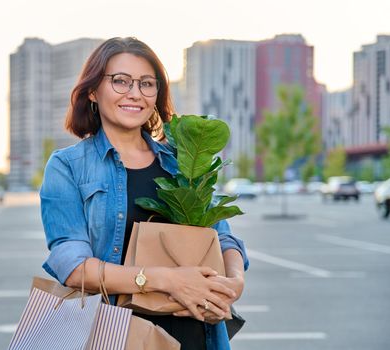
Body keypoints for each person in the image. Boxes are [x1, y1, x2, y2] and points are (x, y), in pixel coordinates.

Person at [40, 37, 249, 350]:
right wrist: (168, 280)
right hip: (114, 336)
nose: (135, 94)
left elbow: (223, 238)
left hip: (196, 335)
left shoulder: (182, 162)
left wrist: (234, 282)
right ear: (94, 91)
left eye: (147, 84)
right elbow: (73, 267)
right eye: (120, 81)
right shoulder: (68, 166)